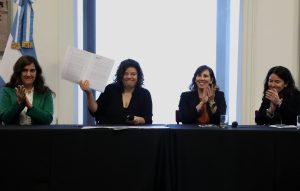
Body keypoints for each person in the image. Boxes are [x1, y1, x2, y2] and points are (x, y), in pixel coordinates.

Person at [80, 59, 153, 125]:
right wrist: (88, 93)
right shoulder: (110, 89)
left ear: (138, 76)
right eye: (125, 74)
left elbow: (148, 120)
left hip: (134, 136)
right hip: (107, 135)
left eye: (133, 74)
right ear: (120, 75)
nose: (129, 76)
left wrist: (139, 120)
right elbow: (95, 111)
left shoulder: (145, 94)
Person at [0, 55, 55, 125]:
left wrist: (30, 106)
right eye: (25, 70)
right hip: (13, 135)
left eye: (32, 70)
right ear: (19, 72)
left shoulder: (45, 92)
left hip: (39, 135)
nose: (28, 74)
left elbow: (48, 119)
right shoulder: (7, 91)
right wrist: (19, 103)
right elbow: (5, 119)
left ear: (37, 72)